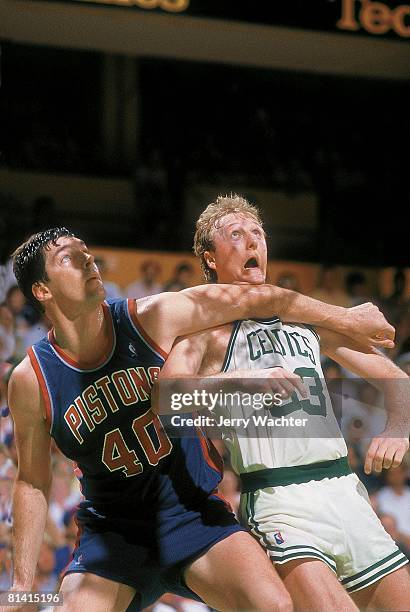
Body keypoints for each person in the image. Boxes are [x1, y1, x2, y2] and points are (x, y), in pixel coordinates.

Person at [4, 226, 394, 612]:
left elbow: (255, 298)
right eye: (70, 258)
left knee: (273, 605)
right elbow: (32, 481)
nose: (88, 259)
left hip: (191, 510)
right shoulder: (30, 379)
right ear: (43, 290)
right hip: (113, 531)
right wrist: (22, 585)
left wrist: (345, 318)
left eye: (87, 251)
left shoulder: (154, 316)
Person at [154, 195, 410, 612]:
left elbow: (397, 381)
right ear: (210, 257)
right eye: (235, 234)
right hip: (278, 499)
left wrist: (398, 428)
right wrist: (241, 382)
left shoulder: (302, 319)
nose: (252, 241)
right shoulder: (205, 331)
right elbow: (168, 400)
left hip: (344, 489)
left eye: (258, 233)